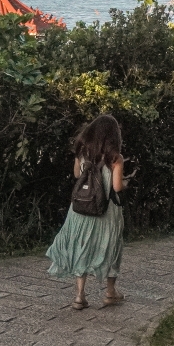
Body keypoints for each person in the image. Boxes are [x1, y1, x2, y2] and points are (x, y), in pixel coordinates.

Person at [46, 114, 127, 310]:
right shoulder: (116, 158)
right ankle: (110, 293)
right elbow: (116, 188)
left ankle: (79, 296)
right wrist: (125, 182)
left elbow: (76, 175)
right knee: (110, 247)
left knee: (81, 246)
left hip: (82, 209)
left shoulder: (82, 152)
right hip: (106, 211)